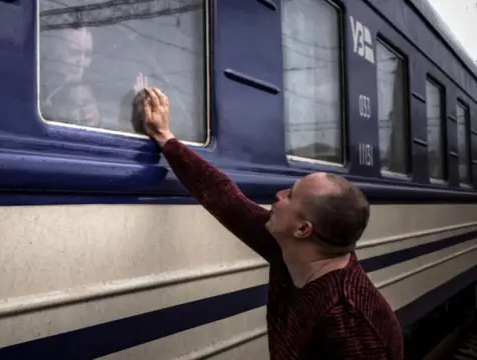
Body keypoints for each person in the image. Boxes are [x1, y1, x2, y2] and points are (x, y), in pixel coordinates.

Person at [133, 88, 404, 359]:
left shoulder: (350, 326)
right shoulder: (294, 252)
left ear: (303, 229)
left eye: (291, 195)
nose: (279, 194)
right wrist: (164, 136)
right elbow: (227, 200)